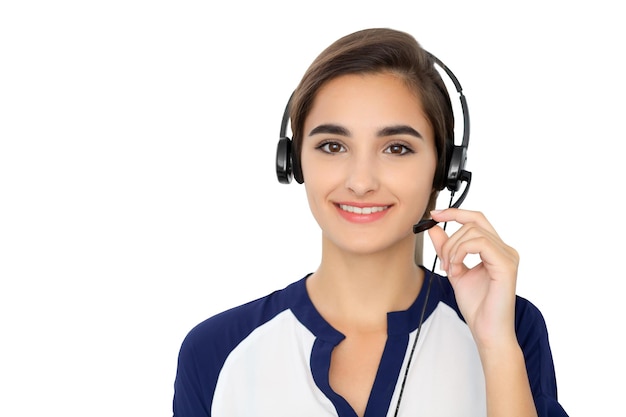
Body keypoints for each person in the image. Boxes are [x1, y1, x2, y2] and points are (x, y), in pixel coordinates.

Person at [172, 27, 569, 417]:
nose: (361, 182)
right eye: (333, 146)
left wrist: (496, 346)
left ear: (444, 170)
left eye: (397, 148)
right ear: (294, 163)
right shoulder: (217, 350)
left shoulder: (510, 327)